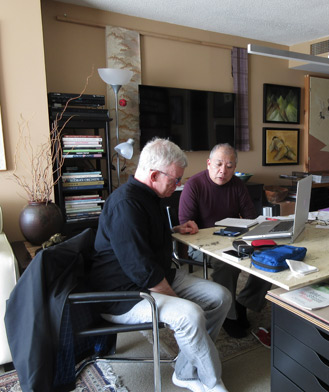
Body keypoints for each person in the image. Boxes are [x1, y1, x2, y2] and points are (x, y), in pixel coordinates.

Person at [88, 138, 231, 392]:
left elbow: (145, 236)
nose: (178, 185)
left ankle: (185, 372)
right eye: (175, 180)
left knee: (221, 297)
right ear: (154, 175)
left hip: (157, 275)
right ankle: (212, 382)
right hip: (124, 294)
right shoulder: (125, 204)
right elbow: (141, 269)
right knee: (190, 315)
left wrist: (174, 230)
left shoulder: (150, 195)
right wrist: (177, 301)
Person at [179, 143, 272, 339]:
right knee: (227, 263)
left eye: (229, 166)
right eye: (219, 164)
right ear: (208, 163)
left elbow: (250, 217)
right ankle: (228, 316)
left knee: (269, 255)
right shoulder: (194, 185)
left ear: (235, 168)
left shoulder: (237, 185)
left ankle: (245, 302)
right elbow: (185, 223)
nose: (223, 171)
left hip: (233, 239)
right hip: (202, 245)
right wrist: (192, 227)